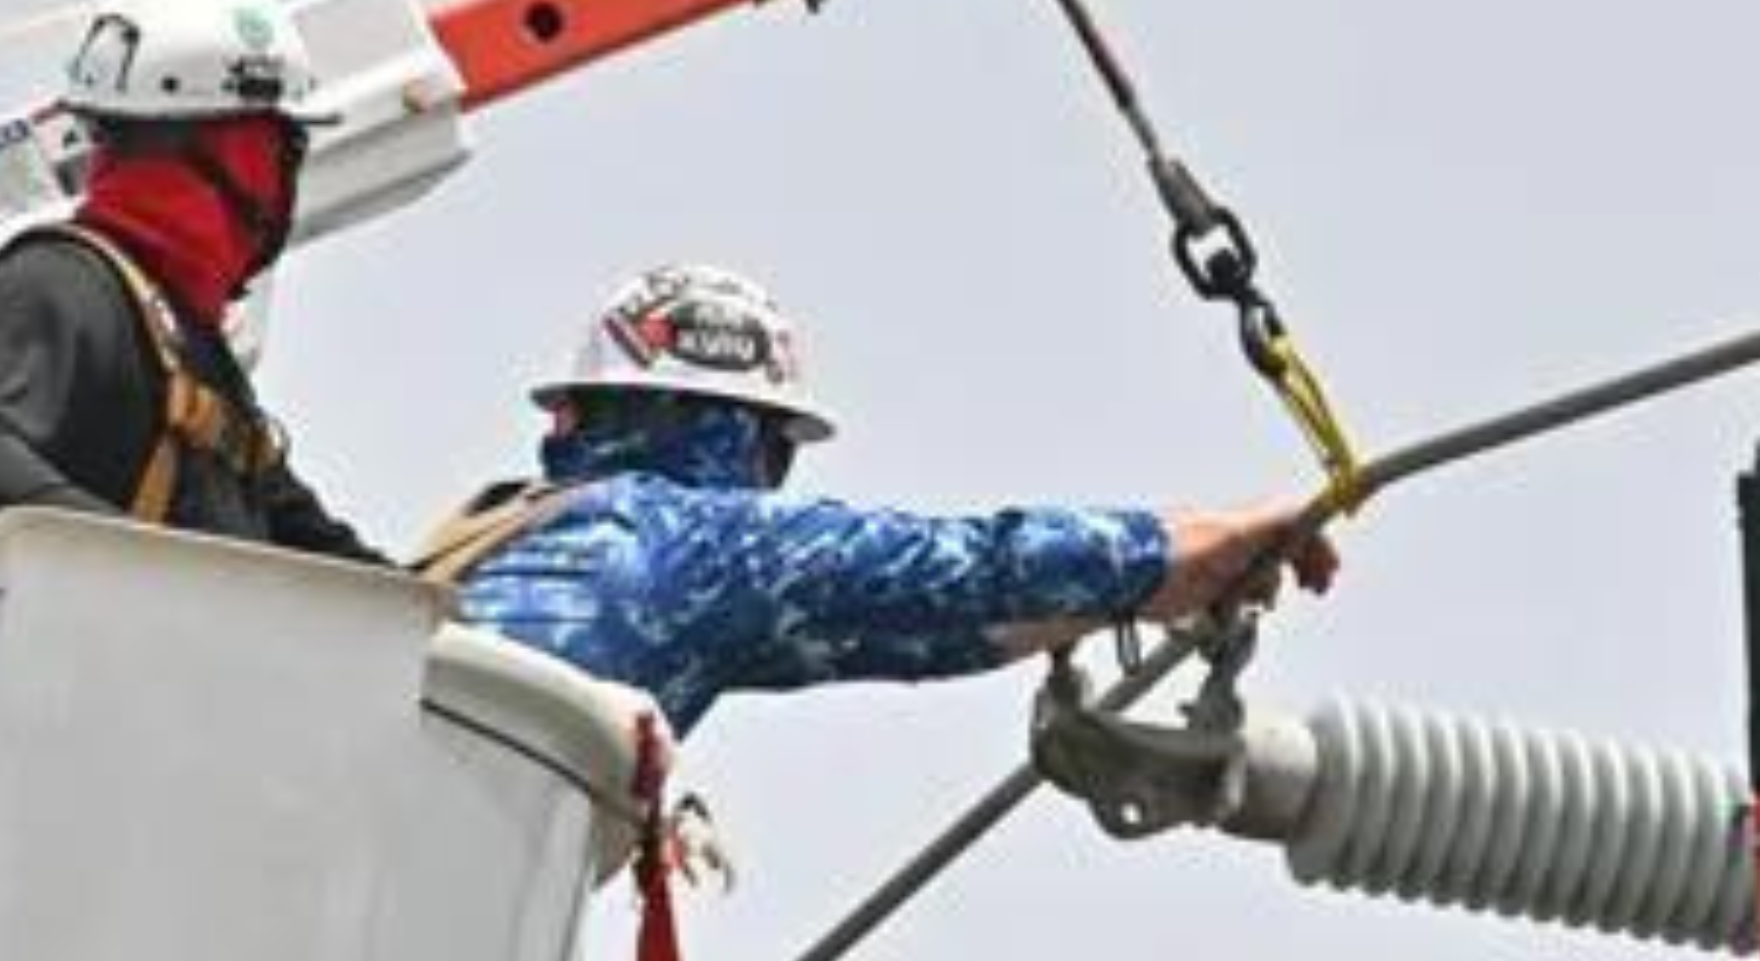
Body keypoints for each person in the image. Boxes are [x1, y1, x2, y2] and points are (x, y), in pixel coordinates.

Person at [420, 263, 1337, 732]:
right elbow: (967, 578)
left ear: (577, 416)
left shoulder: (487, 541)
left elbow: (930, 630)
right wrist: (1190, 549)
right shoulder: (685, 540)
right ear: (742, 435)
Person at [0, 0, 380, 561]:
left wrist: (436, 621)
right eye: (280, 149)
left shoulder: (184, 341)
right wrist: (155, 574)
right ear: (234, 155)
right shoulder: (62, 284)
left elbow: (308, 541)